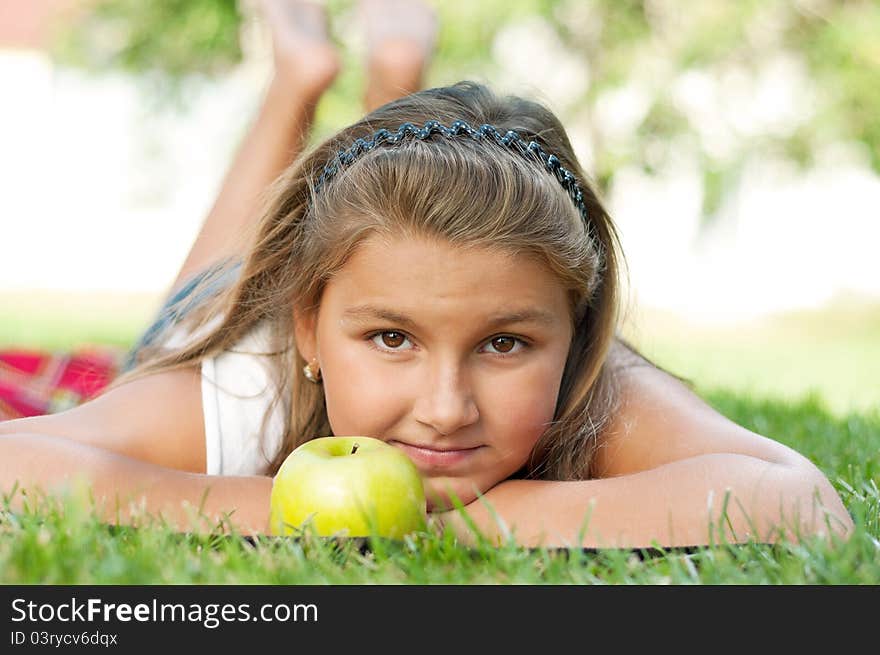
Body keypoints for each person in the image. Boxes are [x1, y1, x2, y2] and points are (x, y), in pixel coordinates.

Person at [0, 0, 854, 549]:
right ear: (309, 329)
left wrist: (477, 524)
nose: (446, 408)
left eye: (506, 343)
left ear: (578, 326)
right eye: (392, 338)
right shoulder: (238, 391)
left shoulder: (595, 382)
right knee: (208, 294)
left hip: (337, 282)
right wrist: (291, 510)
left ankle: (391, 79)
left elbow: (796, 499)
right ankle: (296, 77)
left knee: (365, 228)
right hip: (220, 316)